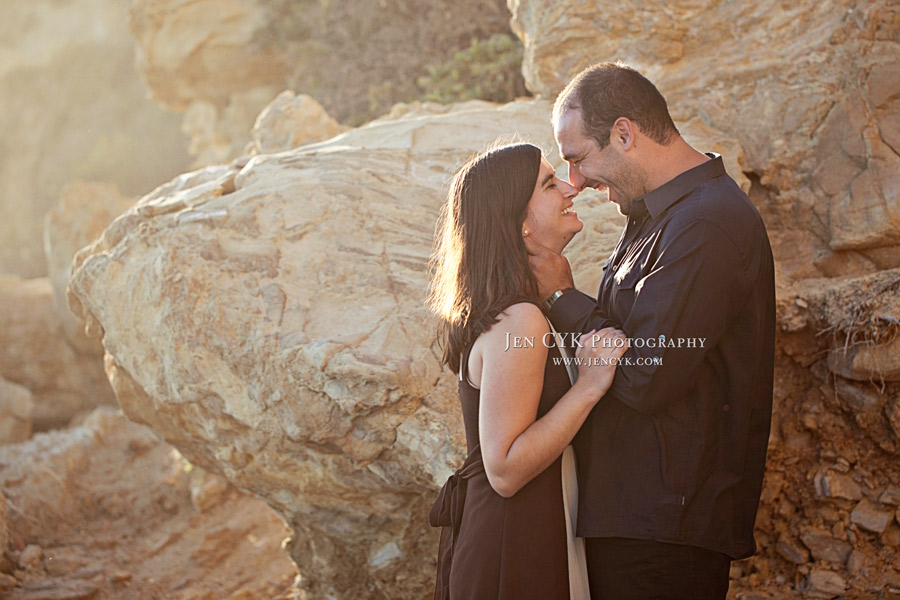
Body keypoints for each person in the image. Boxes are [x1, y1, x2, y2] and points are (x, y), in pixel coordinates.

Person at [527, 62, 776, 599]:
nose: (576, 182)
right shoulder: (660, 217)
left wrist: (562, 296)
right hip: (636, 517)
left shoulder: (706, 224)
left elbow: (644, 374)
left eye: (577, 159)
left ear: (624, 133)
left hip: (665, 528)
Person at [427, 142, 627, 600]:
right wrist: (590, 386)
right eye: (549, 184)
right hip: (513, 545)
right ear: (519, 223)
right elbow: (505, 469)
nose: (570, 190)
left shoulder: (529, 311)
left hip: (535, 530)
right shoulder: (521, 320)